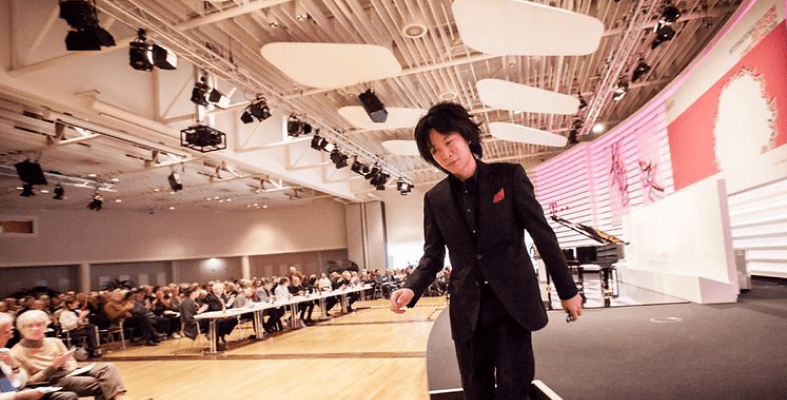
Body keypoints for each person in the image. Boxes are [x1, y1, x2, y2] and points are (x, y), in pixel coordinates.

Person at [390, 102, 582, 400]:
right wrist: (411, 287)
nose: (445, 154)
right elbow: (433, 256)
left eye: (449, 142)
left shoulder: (509, 177)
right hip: (468, 310)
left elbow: (543, 236)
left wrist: (567, 291)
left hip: (512, 306)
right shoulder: (435, 199)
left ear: (466, 137)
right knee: (475, 392)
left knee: (513, 390)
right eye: (435, 150)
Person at [11, 310, 150, 400]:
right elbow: (27, 382)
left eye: (39, 325)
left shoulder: (54, 341)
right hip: (50, 380)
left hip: (68, 373)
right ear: (21, 329)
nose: (35, 329)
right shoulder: (17, 352)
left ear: (45, 326)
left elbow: (71, 361)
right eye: (30, 326)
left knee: (109, 367)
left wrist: (68, 366)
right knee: (103, 384)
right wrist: (52, 367)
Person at [1, 312, 65, 400]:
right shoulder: (16, 351)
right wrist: (17, 396)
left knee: (65, 396)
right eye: (6, 332)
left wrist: (14, 367)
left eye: (11, 331)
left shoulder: (4, 352)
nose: (11, 336)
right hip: (12, 396)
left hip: (13, 393)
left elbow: (15, 385)